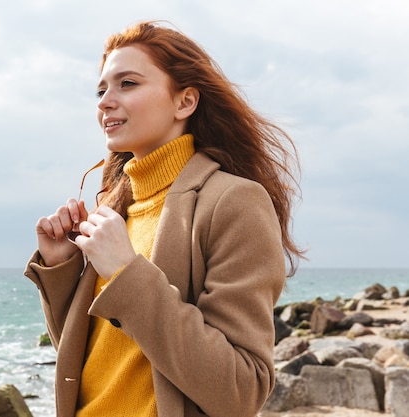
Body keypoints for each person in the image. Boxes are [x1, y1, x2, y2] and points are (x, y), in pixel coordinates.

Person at [24, 20, 305, 417]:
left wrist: (126, 272)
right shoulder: (115, 208)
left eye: (128, 84)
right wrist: (61, 267)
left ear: (184, 102)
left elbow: (242, 390)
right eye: (101, 89)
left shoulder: (234, 201)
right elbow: (95, 360)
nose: (105, 101)